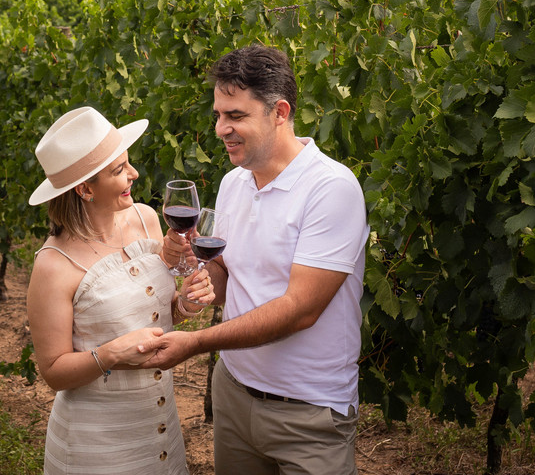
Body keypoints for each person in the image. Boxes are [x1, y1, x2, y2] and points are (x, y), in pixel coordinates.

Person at [148, 45, 369, 475]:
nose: (220, 128)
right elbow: (229, 275)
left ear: (280, 112)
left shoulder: (331, 189)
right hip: (233, 394)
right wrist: (193, 269)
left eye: (235, 116)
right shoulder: (234, 183)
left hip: (307, 413)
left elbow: (299, 310)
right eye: (218, 114)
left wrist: (195, 343)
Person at [26, 106, 213, 475]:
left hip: (161, 432)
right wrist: (110, 354)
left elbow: (151, 312)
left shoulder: (144, 218)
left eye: (128, 163)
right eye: (118, 170)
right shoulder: (53, 266)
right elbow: (53, 372)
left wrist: (185, 303)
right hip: (98, 446)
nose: (134, 174)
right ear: (84, 189)